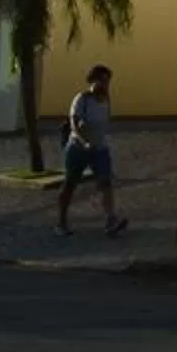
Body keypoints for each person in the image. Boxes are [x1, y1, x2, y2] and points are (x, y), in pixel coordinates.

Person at [56, 64, 129, 240]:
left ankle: (111, 220)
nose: (104, 85)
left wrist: (98, 141)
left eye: (107, 81)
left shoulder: (106, 100)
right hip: (78, 148)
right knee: (70, 183)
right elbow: (74, 122)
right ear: (93, 80)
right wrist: (83, 141)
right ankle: (61, 222)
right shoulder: (82, 99)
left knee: (106, 182)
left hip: (99, 147)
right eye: (101, 80)